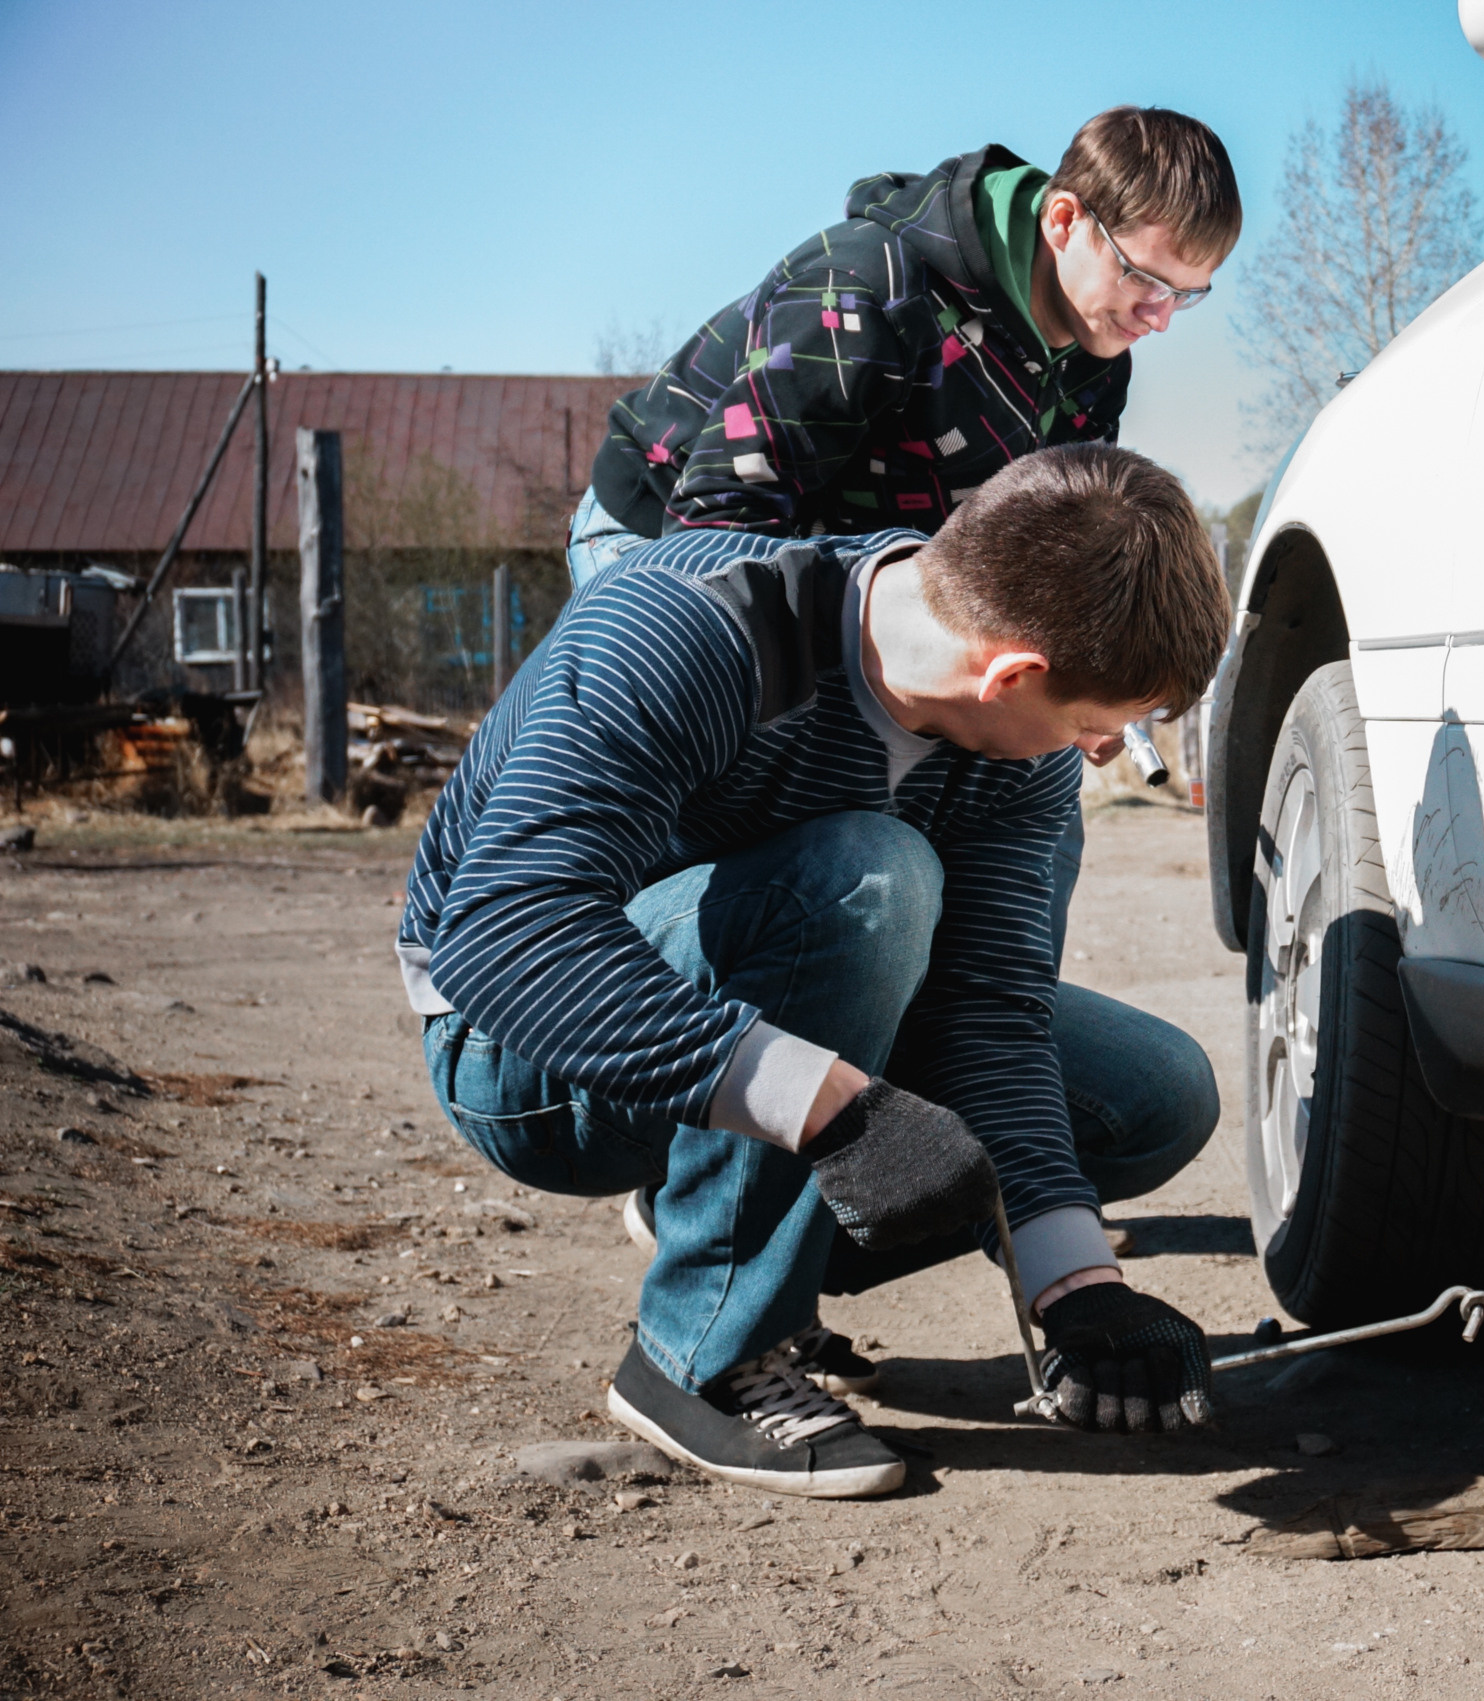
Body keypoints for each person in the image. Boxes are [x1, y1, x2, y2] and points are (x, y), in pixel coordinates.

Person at [400, 445, 1235, 1496]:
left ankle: (717, 1204)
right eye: (1093, 724)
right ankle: (701, 1359)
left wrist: (1075, 1287)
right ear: (1011, 674)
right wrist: (837, 1114)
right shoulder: (693, 626)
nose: (1108, 750)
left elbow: (987, 1011)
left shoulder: (1010, 755)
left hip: (757, 1014)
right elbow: (503, 933)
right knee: (868, 878)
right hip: (521, 1049)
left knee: (1151, 1097)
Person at [570, 106, 1244, 1332]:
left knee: (1015, 828)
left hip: (925, 599)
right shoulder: (866, 284)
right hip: (694, 544)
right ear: (1063, 219)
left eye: (1188, 297)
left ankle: (878, 1115)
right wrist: (929, 640)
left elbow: (1054, 542)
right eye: (1148, 277)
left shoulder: (1097, 357)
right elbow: (730, 528)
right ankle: (710, 1123)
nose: (1158, 314)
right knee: (827, 858)